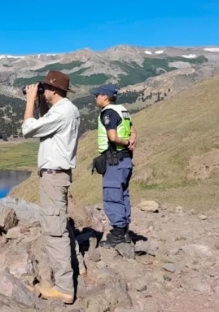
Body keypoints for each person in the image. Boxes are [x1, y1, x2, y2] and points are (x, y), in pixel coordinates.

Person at [21, 70, 82, 304]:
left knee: (54, 230)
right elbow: (46, 124)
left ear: (54, 90)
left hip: (53, 177)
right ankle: (79, 268)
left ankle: (65, 288)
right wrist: (40, 101)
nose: (41, 91)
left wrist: (29, 102)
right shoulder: (68, 109)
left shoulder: (62, 112)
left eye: (45, 88)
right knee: (61, 223)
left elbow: (28, 129)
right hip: (59, 175)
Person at [92, 84, 137, 248]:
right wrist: (131, 142)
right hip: (125, 161)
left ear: (105, 96)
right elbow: (133, 130)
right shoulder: (123, 110)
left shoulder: (109, 113)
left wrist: (125, 143)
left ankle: (117, 234)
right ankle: (125, 232)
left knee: (112, 196)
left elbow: (113, 137)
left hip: (114, 161)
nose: (95, 97)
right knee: (123, 195)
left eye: (97, 94)